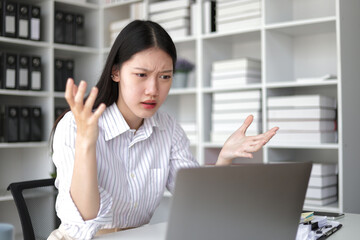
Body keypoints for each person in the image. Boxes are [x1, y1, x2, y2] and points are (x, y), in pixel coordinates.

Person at [48, 20, 279, 240]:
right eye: (141, 75)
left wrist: (224, 158)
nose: (153, 89)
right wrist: (86, 144)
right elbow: (84, 219)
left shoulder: (168, 128)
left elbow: (198, 201)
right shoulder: (75, 126)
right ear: (116, 72)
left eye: (165, 77)